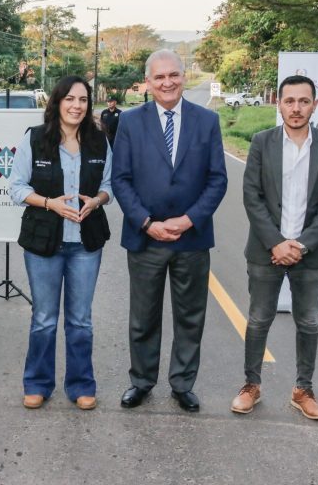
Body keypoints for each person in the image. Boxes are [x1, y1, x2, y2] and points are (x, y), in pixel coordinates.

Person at [112, 49, 227, 412]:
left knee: (190, 317)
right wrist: (147, 223)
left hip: (191, 239)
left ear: (184, 76)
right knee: (143, 317)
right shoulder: (130, 122)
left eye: (173, 75)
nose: (167, 82)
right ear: (148, 82)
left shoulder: (207, 121)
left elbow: (217, 179)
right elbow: (121, 179)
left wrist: (189, 219)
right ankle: (141, 381)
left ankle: (182, 384)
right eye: (159, 77)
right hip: (145, 238)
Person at [231, 75, 318, 420]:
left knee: (308, 322)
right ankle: (251, 385)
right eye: (289, 101)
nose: (296, 108)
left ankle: (303, 390)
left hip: (309, 255)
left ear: (315, 105)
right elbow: (252, 196)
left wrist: (303, 244)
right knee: (258, 319)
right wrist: (277, 243)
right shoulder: (261, 142)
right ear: (278, 103)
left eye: (303, 101)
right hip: (267, 251)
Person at [10, 76, 113, 410]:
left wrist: (97, 200)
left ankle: (81, 385)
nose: (76, 105)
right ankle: (37, 383)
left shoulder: (99, 141)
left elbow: (110, 185)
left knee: (80, 319)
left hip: (85, 244)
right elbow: (17, 188)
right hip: (44, 244)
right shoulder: (35, 139)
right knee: (44, 318)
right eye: (69, 98)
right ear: (56, 102)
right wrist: (49, 203)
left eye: (83, 100)